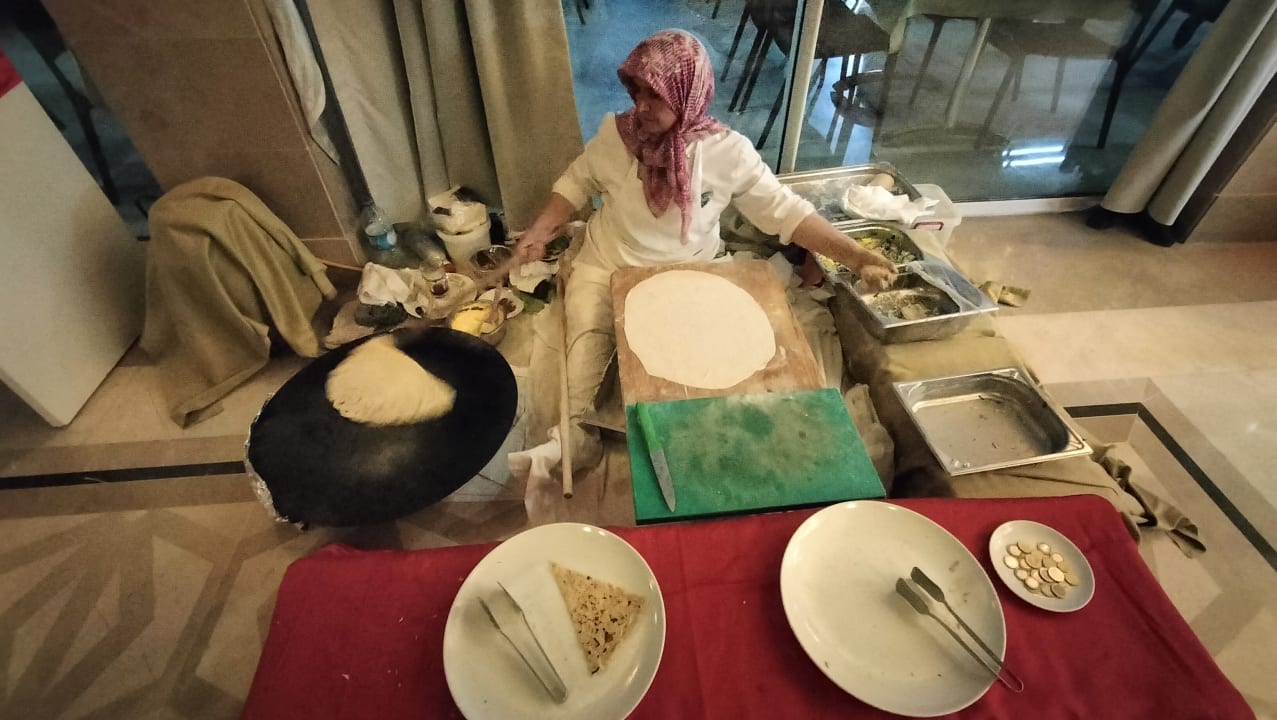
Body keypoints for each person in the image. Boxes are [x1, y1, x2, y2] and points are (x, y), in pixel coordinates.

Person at [512, 29, 897, 479]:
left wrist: (856, 256)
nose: (640, 107)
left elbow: (785, 211)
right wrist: (539, 230)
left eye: (655, 96)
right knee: (585, 346)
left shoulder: (726, 152)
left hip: (691, 268)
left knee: (711, 375)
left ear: (688, 94)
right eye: (636, 92)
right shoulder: (616, 137)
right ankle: (577, 440)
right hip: (609, 264)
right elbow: (576, 182)